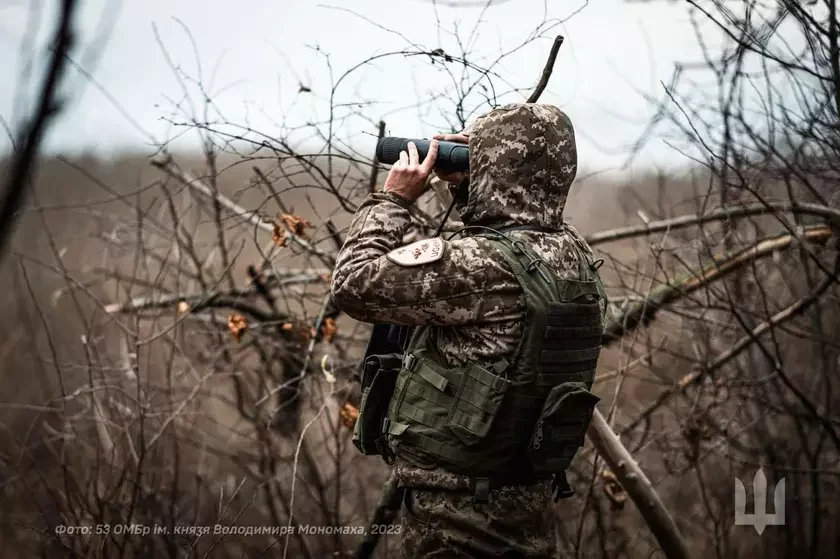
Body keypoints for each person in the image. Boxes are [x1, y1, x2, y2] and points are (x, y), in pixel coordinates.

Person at [331, 103, 606, 558]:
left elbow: (354, 285)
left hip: (458, 521)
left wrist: (392, 200)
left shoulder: (485, 266)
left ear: (496, 169)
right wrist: (472, 185)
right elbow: (512, 221)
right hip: (527, 508)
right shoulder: (569, 252)